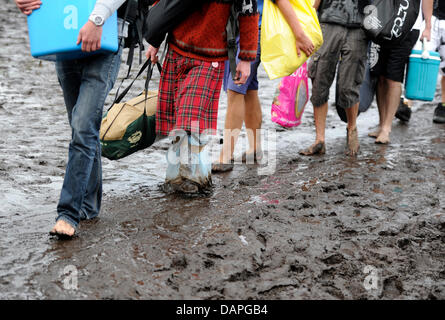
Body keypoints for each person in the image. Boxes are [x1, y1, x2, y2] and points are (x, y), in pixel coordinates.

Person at [15, 0, 128, 238]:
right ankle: (88, 206)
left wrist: (97, 19)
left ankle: (68, 214)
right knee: (83, 130)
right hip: (64, 39)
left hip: (104, 38)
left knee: (82, 126)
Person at [145, 0, 259, 192]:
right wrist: (154, 42)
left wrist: (246, 58)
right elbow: (165, 6)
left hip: (210, 56)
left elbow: (248, 12)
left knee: (191, 121)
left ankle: (196, 180)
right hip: (176, 49)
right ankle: (175, 179)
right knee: (177, 124)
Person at [212, 0, 315, 173]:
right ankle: (254, 149)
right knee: (249, 90)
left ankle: (226, 156)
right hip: (241, 28)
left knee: (235, 89)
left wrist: (299, 34)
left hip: (254, 29)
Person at [299, 0, 368, 156]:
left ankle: (352, 129)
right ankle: (319, 140)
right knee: (319, 80)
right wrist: (305, 19)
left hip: (359, 25)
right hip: (328, 21)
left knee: (349, 85)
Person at [368, 0, 433, 144]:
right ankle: (381, 123)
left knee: (393, 76)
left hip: (408, 27)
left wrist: (428, 26)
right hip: (383, 22)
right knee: (381, 76)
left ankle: (387, 128)